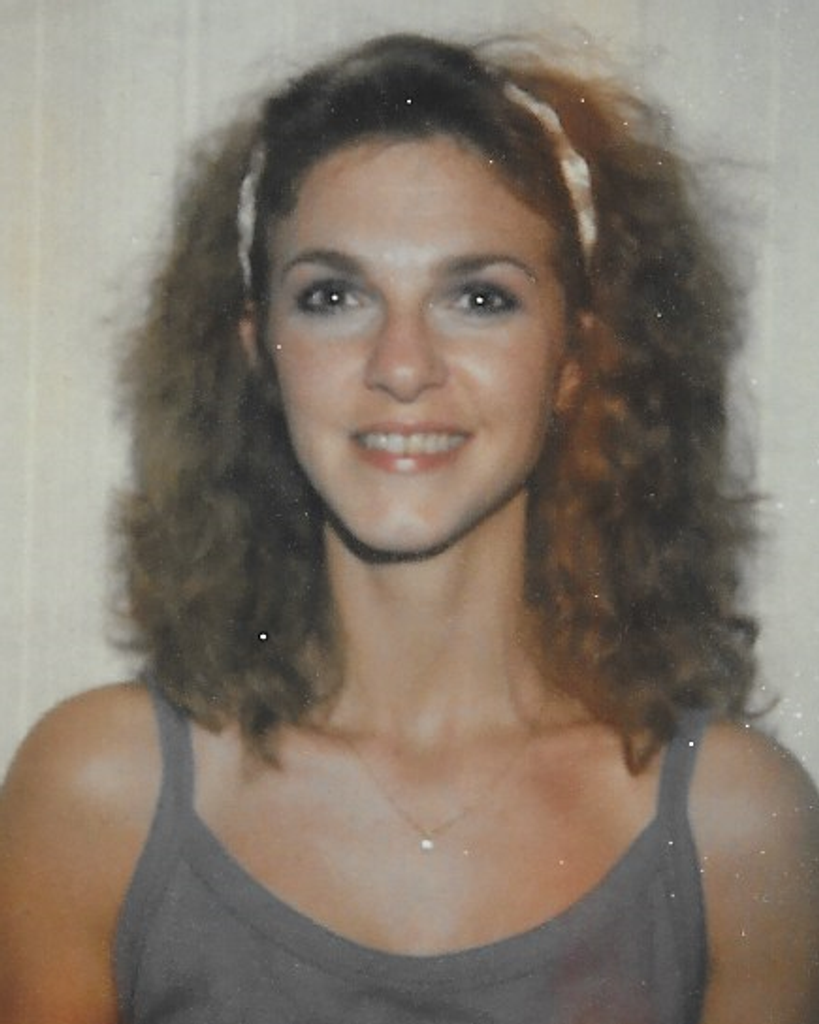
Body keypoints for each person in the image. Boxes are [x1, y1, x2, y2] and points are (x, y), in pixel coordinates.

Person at [1, 31, 817, 1024]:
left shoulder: (735, 826)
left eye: (478, 298)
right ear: (261, 351)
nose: (400, 365)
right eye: (334, 296)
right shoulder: (99, 791)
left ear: (575, 358)